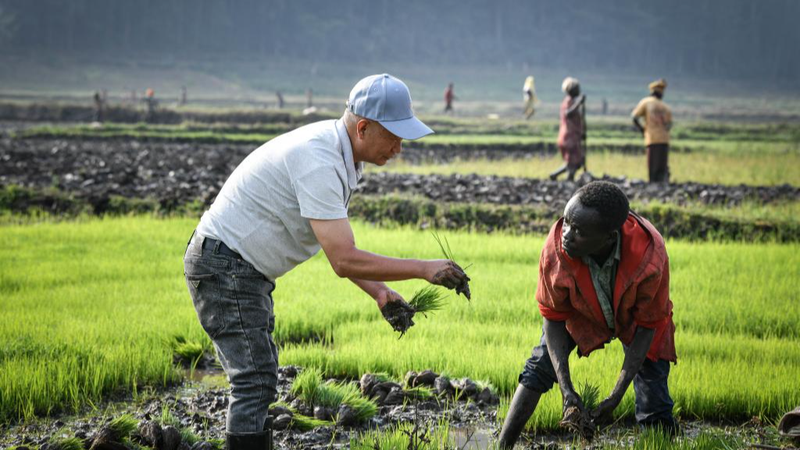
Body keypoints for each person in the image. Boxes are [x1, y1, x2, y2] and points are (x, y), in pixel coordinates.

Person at [184, 74, 471, 450]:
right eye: (395, 136)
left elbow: (330, 244)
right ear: (364, 127)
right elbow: (343, 258)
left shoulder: (341, 155)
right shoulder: (319, 160)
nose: (400, 147)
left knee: (258, 375)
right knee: (254, 379)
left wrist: (380, 292)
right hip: (225, 266)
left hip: (239, 269)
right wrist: (423, 268)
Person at [497, 181, 678, 449]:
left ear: (609, 237)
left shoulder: (649, 256)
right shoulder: (556, 250)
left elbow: (648, 325)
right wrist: (566, 390)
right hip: (582, 310)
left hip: (634, 318)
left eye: (579, 231)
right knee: (538, 366)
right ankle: (502, 446)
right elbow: (554, 317)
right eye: (567, 222)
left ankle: (662, 441)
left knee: (655, 404)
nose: (567, 234)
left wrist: (616, 396)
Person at [632, 79, 672, 183]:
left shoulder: (646, 102)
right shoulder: (665, 107)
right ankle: (661, 186)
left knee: (653, 166)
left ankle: (652, 186)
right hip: (665, 139)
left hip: (652, 138)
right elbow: (669, 125)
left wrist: (643, 130)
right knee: (661, 166)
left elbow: (634, 117)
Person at [549, 77, 585, 181]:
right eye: (577, 89)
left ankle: (555, 175)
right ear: (572, 90)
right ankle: (569, 181)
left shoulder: (572, 102)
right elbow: (568, 113)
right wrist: (579, 103)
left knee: (574, 163)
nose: (579, 91)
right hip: (569, 137)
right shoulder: (569, 102)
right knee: (573, 163)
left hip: (572, 136)